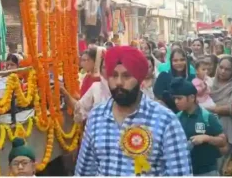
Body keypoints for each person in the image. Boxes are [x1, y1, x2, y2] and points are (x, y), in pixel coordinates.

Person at [75, 46, 192, 176]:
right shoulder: (96, 117)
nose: (119, 82)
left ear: (139, 78)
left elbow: (180, 173)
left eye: (127, 76)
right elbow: (84, 172)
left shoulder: (165, 121)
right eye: (113, 75)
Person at [170, 77, 226, 176]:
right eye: (174, 98)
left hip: (207, 171)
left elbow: (223, 142)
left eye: (179, 98)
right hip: (185, 170)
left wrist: (207, 138)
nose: (176, 102)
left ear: (192, 97)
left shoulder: (207, 117)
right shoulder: (177, 118)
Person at [61, 58, 110, 123]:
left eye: (87, 60)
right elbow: (81, 107)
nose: (107, 70)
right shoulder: (96, 87)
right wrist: (66, 94)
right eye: (104, 67)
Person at [209, 56, 232, 157]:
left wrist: (208, 108)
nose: (223, 71)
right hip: (207, 124)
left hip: (226, 125)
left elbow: (230, 109)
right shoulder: (209, 82)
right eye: (221, 67)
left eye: (227, 69)